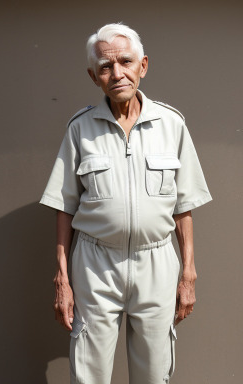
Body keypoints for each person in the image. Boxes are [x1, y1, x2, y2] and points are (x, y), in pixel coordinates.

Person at [40, 23, 213, 384]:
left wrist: (189, 272)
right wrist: (62, 277)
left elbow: (184, 205)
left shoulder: (172, 125)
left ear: (143, 66)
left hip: (157, 262)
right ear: (94, 76)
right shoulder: (80, 129)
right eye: (105, 66)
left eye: (125, 62)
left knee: (154, 375)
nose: (116, 73)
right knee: (88, 375)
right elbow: (64, 206)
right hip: (95, 265)